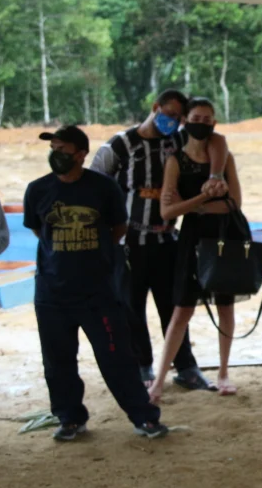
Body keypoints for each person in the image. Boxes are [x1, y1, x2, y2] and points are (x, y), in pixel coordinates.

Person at [23, 125, 169, 441]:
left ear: (81, 154)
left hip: (98, 293)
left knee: (117, 358)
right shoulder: (37, 190)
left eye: (63, 150)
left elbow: (118, 229)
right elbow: (40, 232)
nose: (56, 155)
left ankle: (144, 418)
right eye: (53, 149)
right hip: (52, 294)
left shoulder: (103, 189)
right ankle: (70, 418)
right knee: (58, 362)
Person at [91, 88, 227, 390]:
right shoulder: (120, 145)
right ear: (155, 107)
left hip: (167, 242)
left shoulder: (178, 140)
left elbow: (216, 140)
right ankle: (141, 366)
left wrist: (216, 174)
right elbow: (95, 188)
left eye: (180, 118)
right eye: (170, 115)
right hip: (128, 245)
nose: (174, 122)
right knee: (130, 308)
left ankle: (186, 367)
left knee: (175, 304)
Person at [149, 98, 244, 403]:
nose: (201, 123)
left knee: (225, 306)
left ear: (213, 123)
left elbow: (234, 203)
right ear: (186, 121)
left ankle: (224, 373)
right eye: (196, 118)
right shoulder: (176, 159)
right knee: (182, 310)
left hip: (222, 235)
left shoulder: (222, 153)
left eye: (207, 119)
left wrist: (190, 204)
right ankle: (159, 380)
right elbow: (167, 212)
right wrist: (201, 202)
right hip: (192, 240)